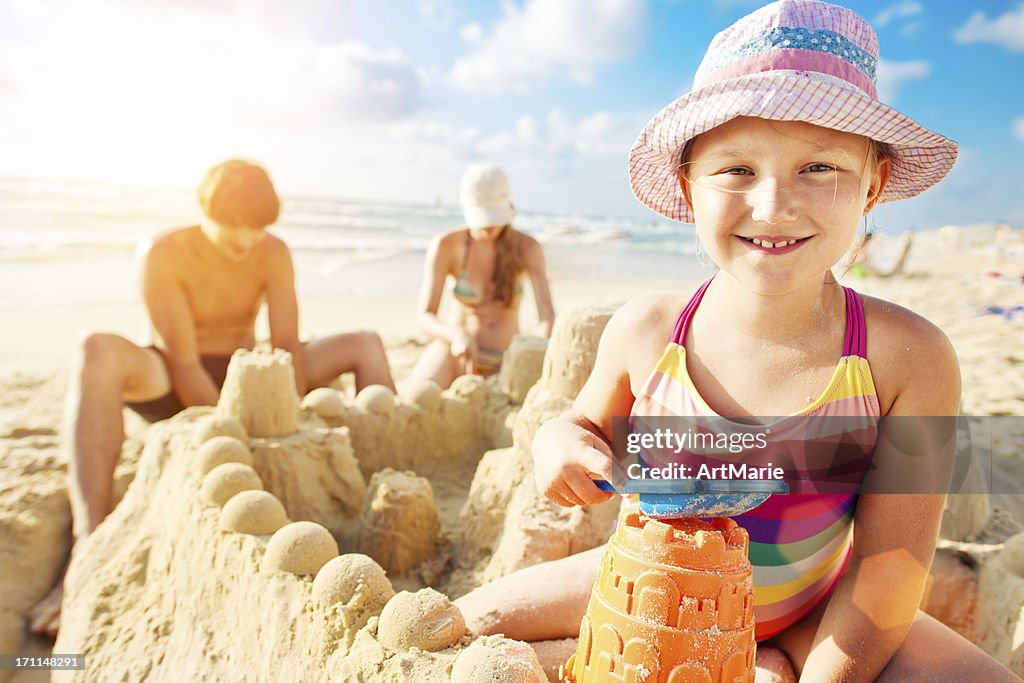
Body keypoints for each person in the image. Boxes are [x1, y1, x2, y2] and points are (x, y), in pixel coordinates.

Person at [454, 2, 1018, 680]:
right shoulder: (649, 331)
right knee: (458, 627)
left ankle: (769, 658)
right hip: (651, 578)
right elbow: (578, 425)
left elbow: (888, 568)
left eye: (820, 168)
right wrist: (559, 445)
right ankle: (748, 660)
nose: (774, 203)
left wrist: (825, 675)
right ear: (689, 186)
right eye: (738, 169)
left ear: (873, 186)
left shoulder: (905, 358)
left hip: (815, 609)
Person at [27, 159, 395, 636]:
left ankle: (388, 478)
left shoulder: (274, 252)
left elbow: (285, 345)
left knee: (364, 341)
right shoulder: (164, 252)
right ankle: (87, 540)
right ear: (203, 212)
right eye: (232, 227)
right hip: (171, 375)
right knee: (95, 350)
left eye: (256, 228)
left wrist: (287, 419)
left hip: (246, 368)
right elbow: (183, 363)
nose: (245, 240)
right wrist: (232, 428)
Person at [410, 164, 554, 388]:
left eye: (495, 215)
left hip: (509, 360)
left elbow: (546, 317)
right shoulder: (447, 245)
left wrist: (531, 351)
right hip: (456, 352)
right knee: (418, 395)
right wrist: (455, 335)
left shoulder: (527, 248)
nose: (490, 225)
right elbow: (425, 316)